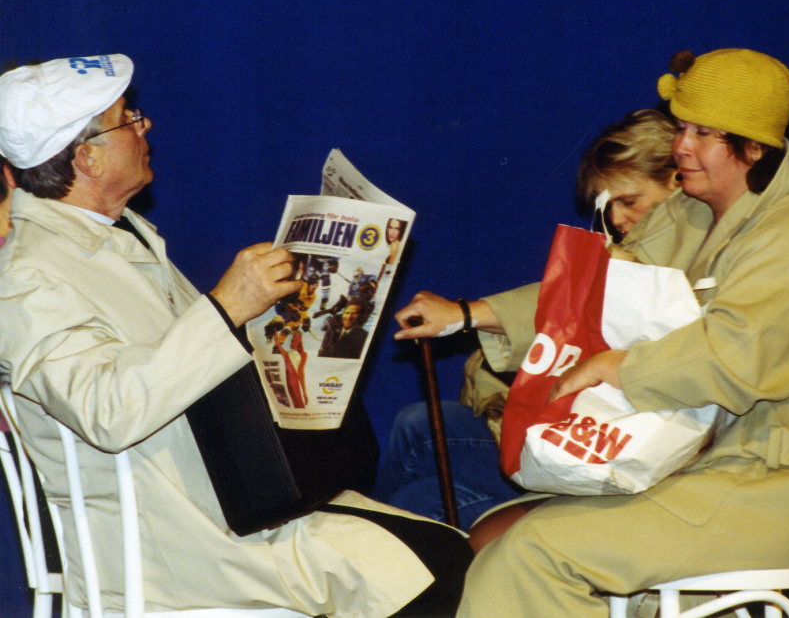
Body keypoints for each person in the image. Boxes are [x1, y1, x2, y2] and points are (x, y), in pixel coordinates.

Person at [0, 55, 472, 617]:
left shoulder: (117, 237)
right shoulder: (27, 279)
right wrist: (226, 307)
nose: (145, 127)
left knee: (447, 549)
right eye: (130, 118)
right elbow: (109, 411)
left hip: (235, 497)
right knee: (437, 572)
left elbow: (184, 362)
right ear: (88, 157)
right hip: (176, 540)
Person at [396, 48, 789, 617]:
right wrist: (469, 314)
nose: (681, 146)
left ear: (753, 147)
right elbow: (595, 293)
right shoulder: (690, 213)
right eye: (682, 128)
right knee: (508, 546)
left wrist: (614, 366)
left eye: (703, 133)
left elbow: (731, 357)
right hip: (689, 473)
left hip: (757, 490)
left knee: (532, 554)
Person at [373, 110, 680, 530]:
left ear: (677, 183)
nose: (618, 219)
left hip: (614, 466)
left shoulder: (686, 268)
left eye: (629, 201)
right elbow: (566, 307)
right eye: (608, 206)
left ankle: (373, 553)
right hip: (574, 442)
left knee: (418, 494)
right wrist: (463, 314)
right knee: (420, 423)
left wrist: (465, 315)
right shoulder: (629, 255)